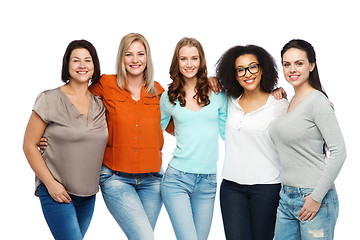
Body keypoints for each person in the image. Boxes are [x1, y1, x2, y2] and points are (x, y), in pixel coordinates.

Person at [23, 40, 108, 240]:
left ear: (94, 66)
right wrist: (51, 184)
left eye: (88, 60)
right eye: (76, 60)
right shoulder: (49, 99)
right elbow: (29, 144)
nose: (82, 65)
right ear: (67, 65)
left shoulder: (100, 103)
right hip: (57, 191)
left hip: (88, 194)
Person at [88, 33, 167, 240]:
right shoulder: (106, 84)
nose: (135, 60)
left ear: (147, 58)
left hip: (154, 180)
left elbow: (182, 124)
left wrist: (209, 85)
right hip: (116, 177)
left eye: (140, 54)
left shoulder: (158, 91)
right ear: (121, 58)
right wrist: (51, 132)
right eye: (129, 54)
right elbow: (76, 101)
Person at [269, 39, 346, 240]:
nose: (292, 69)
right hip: (286, 197)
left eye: (299, 63)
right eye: (287, 64)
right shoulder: (290, 102)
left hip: (314, 197)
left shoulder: (317, 101)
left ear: (312, 65)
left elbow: (339, 152)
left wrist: (316, 198)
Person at [215, 45, 288, 240]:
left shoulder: (279, 105)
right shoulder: (228, 100)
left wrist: (324, 105)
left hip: (267, 188)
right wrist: (210, 79)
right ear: (235, 75)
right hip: (231, 188)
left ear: (262, 69)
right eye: (241, 69)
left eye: (253, 67)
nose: (248, 74)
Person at [160, 37, 227, 240]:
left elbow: (231, 133)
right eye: (183, 59)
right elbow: (153, 133)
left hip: (208, 181)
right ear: (177, 62)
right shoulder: (168, 97)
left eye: (194, 58)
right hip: (177, 180)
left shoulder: (218, 93)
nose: (189, 64)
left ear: (201, 61)